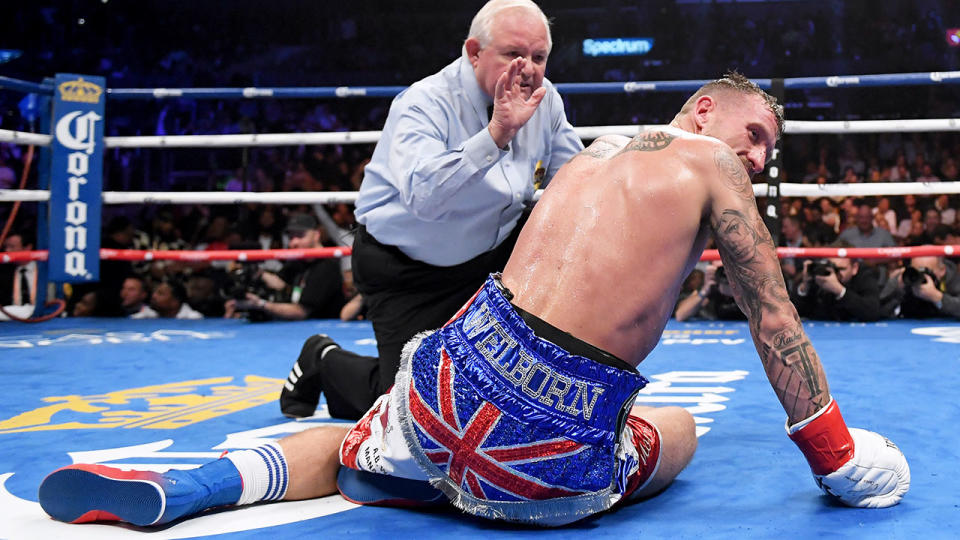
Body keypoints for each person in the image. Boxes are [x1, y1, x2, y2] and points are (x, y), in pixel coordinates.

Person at [38, 73, 909, 529]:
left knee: (354, 441)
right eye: (756, 134)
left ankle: (199, 483)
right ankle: (475, 482)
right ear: (705, 111)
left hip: (444, 385)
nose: (759, 158)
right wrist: (836, 460)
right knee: (676, 428)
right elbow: (773, 319)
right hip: (541, 448)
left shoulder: (592, 152)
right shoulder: (709, 165)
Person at [280, 0, 584, 420]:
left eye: (538, 57)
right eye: (514, 54)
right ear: (474, 52)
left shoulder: (545, 101)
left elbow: (574, 177)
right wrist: (497, 133)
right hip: (407, 267)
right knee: (413, 411)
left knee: (496, 391)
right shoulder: (423, 104)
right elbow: (425, 198)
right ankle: (323, 359)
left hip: (490, 254)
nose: (528, 68)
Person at [224, 213, 345, 321]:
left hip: (325, 327)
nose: (294, 243)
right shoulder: (298, 262)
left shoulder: (327, 266)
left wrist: (260, 304)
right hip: (298, 328)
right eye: (291, 237)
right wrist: (257, 274)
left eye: (300, 236)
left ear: (316, 235)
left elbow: (301, 312)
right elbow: (278, 282)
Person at [791, 241, 883, 322]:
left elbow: (872, 312)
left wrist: (839, 290)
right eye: (833, 268)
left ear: (854, 268)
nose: (835, 275)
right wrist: (804, 287)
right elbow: (794, 314)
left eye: (840, 269)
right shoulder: (822, 274)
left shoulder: (865, 276)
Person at [882, 255, 960, 319]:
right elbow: (878, 312)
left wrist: (937, 297)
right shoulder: (905, 278)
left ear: (942, 271)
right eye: (917, 271)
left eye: (926, 271)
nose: (921, 276)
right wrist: (897, 291)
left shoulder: (953, 279)